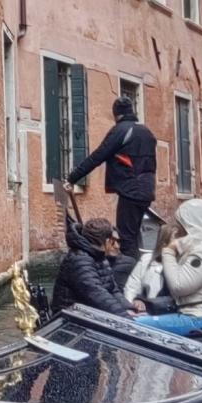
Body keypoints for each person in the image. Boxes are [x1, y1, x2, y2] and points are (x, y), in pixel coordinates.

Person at [66, 96, 156, 257]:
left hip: (130, 191)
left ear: (116, 114)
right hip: (147, 190)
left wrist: (73, 178)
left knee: (126, 239)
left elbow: (97, 156)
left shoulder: (120, 130)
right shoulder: (147, 132)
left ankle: (128, 278)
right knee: (135, 237)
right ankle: (135, 271)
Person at [148, 197, 202, 339]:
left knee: (130, 325)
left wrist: (168, 251)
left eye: (181, 223)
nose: (179, 227)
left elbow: (179, 286)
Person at [51, 216, 132, 317]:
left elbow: (113, 289)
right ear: (107, 241)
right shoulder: (79, 260)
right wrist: (125, 317)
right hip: (71, 318)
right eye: (113, 241)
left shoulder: (100, 257)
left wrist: (130, 307)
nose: (116, 246)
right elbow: (97, 294)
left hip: (90, 314)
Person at [124, 221, 171, 312]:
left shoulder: (185, 264)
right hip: (148, 313)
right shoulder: (147, 259)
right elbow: (132, 287)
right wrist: (134, 304)